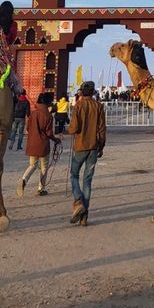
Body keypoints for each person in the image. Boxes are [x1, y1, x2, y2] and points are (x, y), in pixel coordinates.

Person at [67, 81, 107, 225]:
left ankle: (78, 201)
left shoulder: (78, 106)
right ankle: (84, 217)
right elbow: (102, 129)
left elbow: (74, 128)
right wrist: (101, 146)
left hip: (80, 146)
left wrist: (67, 130)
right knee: (88, 181)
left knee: (74, 175)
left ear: (82, 92)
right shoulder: (98, 106)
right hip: (93, 147)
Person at [18, 93, 60, 197]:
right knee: (44, 167)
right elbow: (49, 133)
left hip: (32, 143)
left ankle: (24, 179)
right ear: (48, 102)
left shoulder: (34, 113)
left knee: (32, 165)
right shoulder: (48, 116)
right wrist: (56, 140)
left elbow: (28, 128)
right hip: (43, 145)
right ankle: (41, 189)